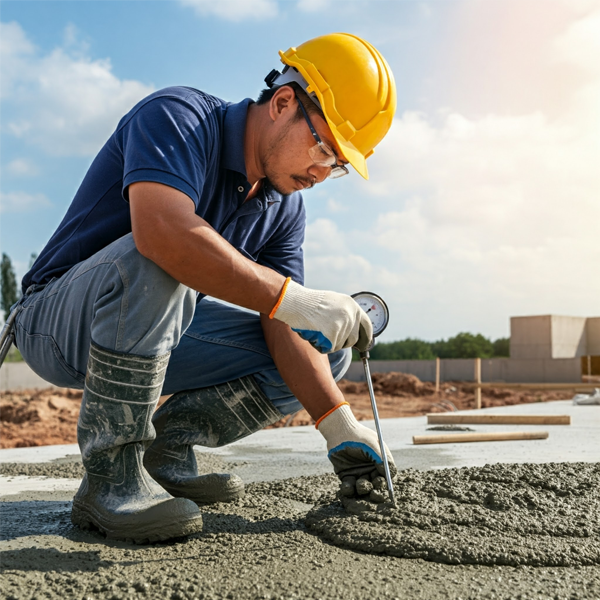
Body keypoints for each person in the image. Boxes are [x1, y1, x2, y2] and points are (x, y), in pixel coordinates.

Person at [13, 33, 397, 543]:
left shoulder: (284, 208)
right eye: (323, 147)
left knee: (323, 353)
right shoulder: (180, 118)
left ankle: (167, 451)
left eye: (338, 165)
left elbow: (283, 323)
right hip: (56, 323)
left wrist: (338, 422)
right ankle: (111, 479)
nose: (322, 172)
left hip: (150, 329)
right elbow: (162, 234)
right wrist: (296, 299)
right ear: (283, 103)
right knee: (158, 257)